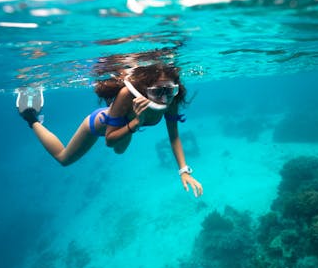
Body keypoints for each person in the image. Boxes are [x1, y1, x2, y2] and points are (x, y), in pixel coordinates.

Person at [18, 63, 203, 197]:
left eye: (169, 91)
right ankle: (30, 117)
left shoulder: (170, 98)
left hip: (127, 130)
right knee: (64, 159)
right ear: (145, 89)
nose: (164, 99)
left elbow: (174, 137)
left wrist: (183, 171)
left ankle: (31, 116)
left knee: (120, 152)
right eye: (157, 92)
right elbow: (109, 140)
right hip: (101, 124)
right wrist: (136, 123)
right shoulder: (127, 95)